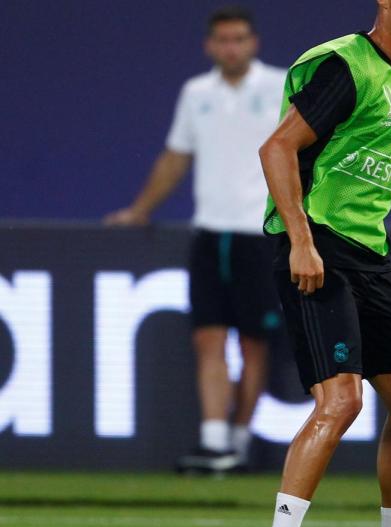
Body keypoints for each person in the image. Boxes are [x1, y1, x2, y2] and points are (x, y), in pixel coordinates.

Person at [251, 1, 391, 527]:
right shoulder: (347, 66)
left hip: (368, 256)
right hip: (318, 242)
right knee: (342, 400)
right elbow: (277, 148)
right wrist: (300, 241)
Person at [105, 6, 286, 473]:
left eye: (239, 39)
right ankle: (213, 441)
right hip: (208, 233)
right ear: (210, 46)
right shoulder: (196, 93)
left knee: (253, 345)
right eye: (223, 40)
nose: (232, 48)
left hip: (260, 234)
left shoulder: (282, 87)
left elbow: (304, 153)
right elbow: (175, 157)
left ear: (253, 43)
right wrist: (140, 211)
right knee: (208, 339)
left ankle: (238, 443)